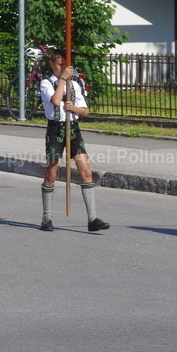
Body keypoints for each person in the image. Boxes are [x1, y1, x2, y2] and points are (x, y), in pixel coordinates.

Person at [39, 48, 110, 233]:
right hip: (56, 129)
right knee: (52, 173)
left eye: (65, 65)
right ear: (52, 64)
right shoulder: (46, 83)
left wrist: (74, 109)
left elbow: (85, 111)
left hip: (73, 129)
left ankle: (92, 218)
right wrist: (63, 79)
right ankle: (47, 216)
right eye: (59, 64)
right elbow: (55, 101)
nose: (63, 67)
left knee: (86, 171)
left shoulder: (75, 85)